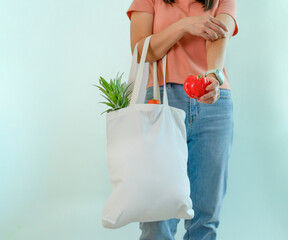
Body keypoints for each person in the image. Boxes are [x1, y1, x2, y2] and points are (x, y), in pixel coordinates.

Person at [126, 0, 238, 239]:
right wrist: (185, 25)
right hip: (161, 100)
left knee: (205, 219)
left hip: (213, 105)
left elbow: (219, 36)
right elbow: (141, 50)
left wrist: (213, 78)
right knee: (156, 218)